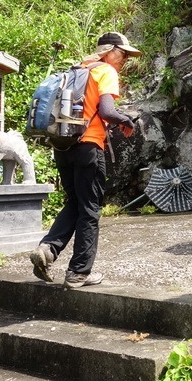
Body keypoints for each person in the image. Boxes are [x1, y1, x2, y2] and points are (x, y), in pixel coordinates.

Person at [29, 32, 140, 288]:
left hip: (63, 146)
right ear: (109, 51)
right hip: (88, 145)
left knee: (75, 203)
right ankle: (79, 273)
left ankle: (47, 249)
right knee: (90, 209)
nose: (124, 59)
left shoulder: (78, 69)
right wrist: (126, 120)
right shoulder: (106, 72)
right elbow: (107, 111)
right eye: (122, 54)